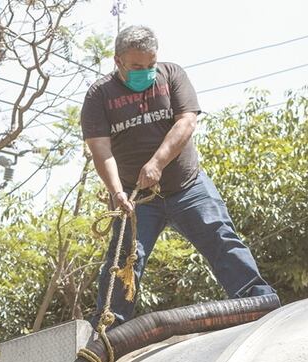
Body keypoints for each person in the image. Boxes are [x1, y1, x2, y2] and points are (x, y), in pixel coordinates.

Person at [81, 25, 277, 328]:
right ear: (118, 61)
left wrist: (157, 162)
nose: (145, 71)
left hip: (188, 187)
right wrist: (117, 191)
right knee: (124, 261)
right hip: (138, 200)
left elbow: (186, 122)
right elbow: (100, 149)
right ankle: (108, 330)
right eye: (136, 67)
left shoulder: (172, 75)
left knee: (221, 238)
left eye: (150, 65)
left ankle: (260, 301)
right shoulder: (99, 95)